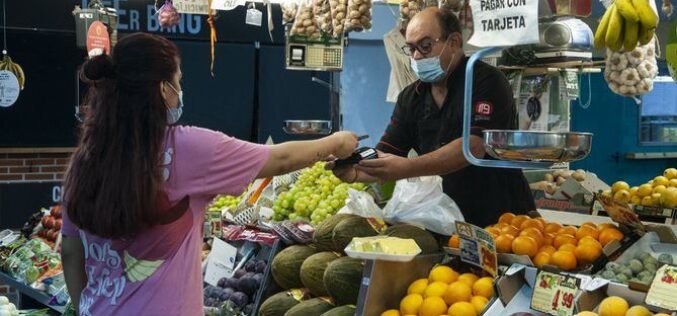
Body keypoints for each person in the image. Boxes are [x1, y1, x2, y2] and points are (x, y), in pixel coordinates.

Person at [60, 32, 358, 316]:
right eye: (178, 81)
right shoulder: (187, 148)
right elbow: (280, 159)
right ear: (163, 89)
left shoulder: (85, 160)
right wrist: (337, 142)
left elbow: (71, 253)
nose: (179, 91)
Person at [332, 8, 535, 227]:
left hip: (502, 218)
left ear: (454, 42)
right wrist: (355, 168)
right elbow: (388, 154)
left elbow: (474, 146)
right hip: (447, 218)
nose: (417, 56)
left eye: (425, 46)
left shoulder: (487, 81)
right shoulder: (411, 97)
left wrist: (408, 167)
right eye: (410, 48)